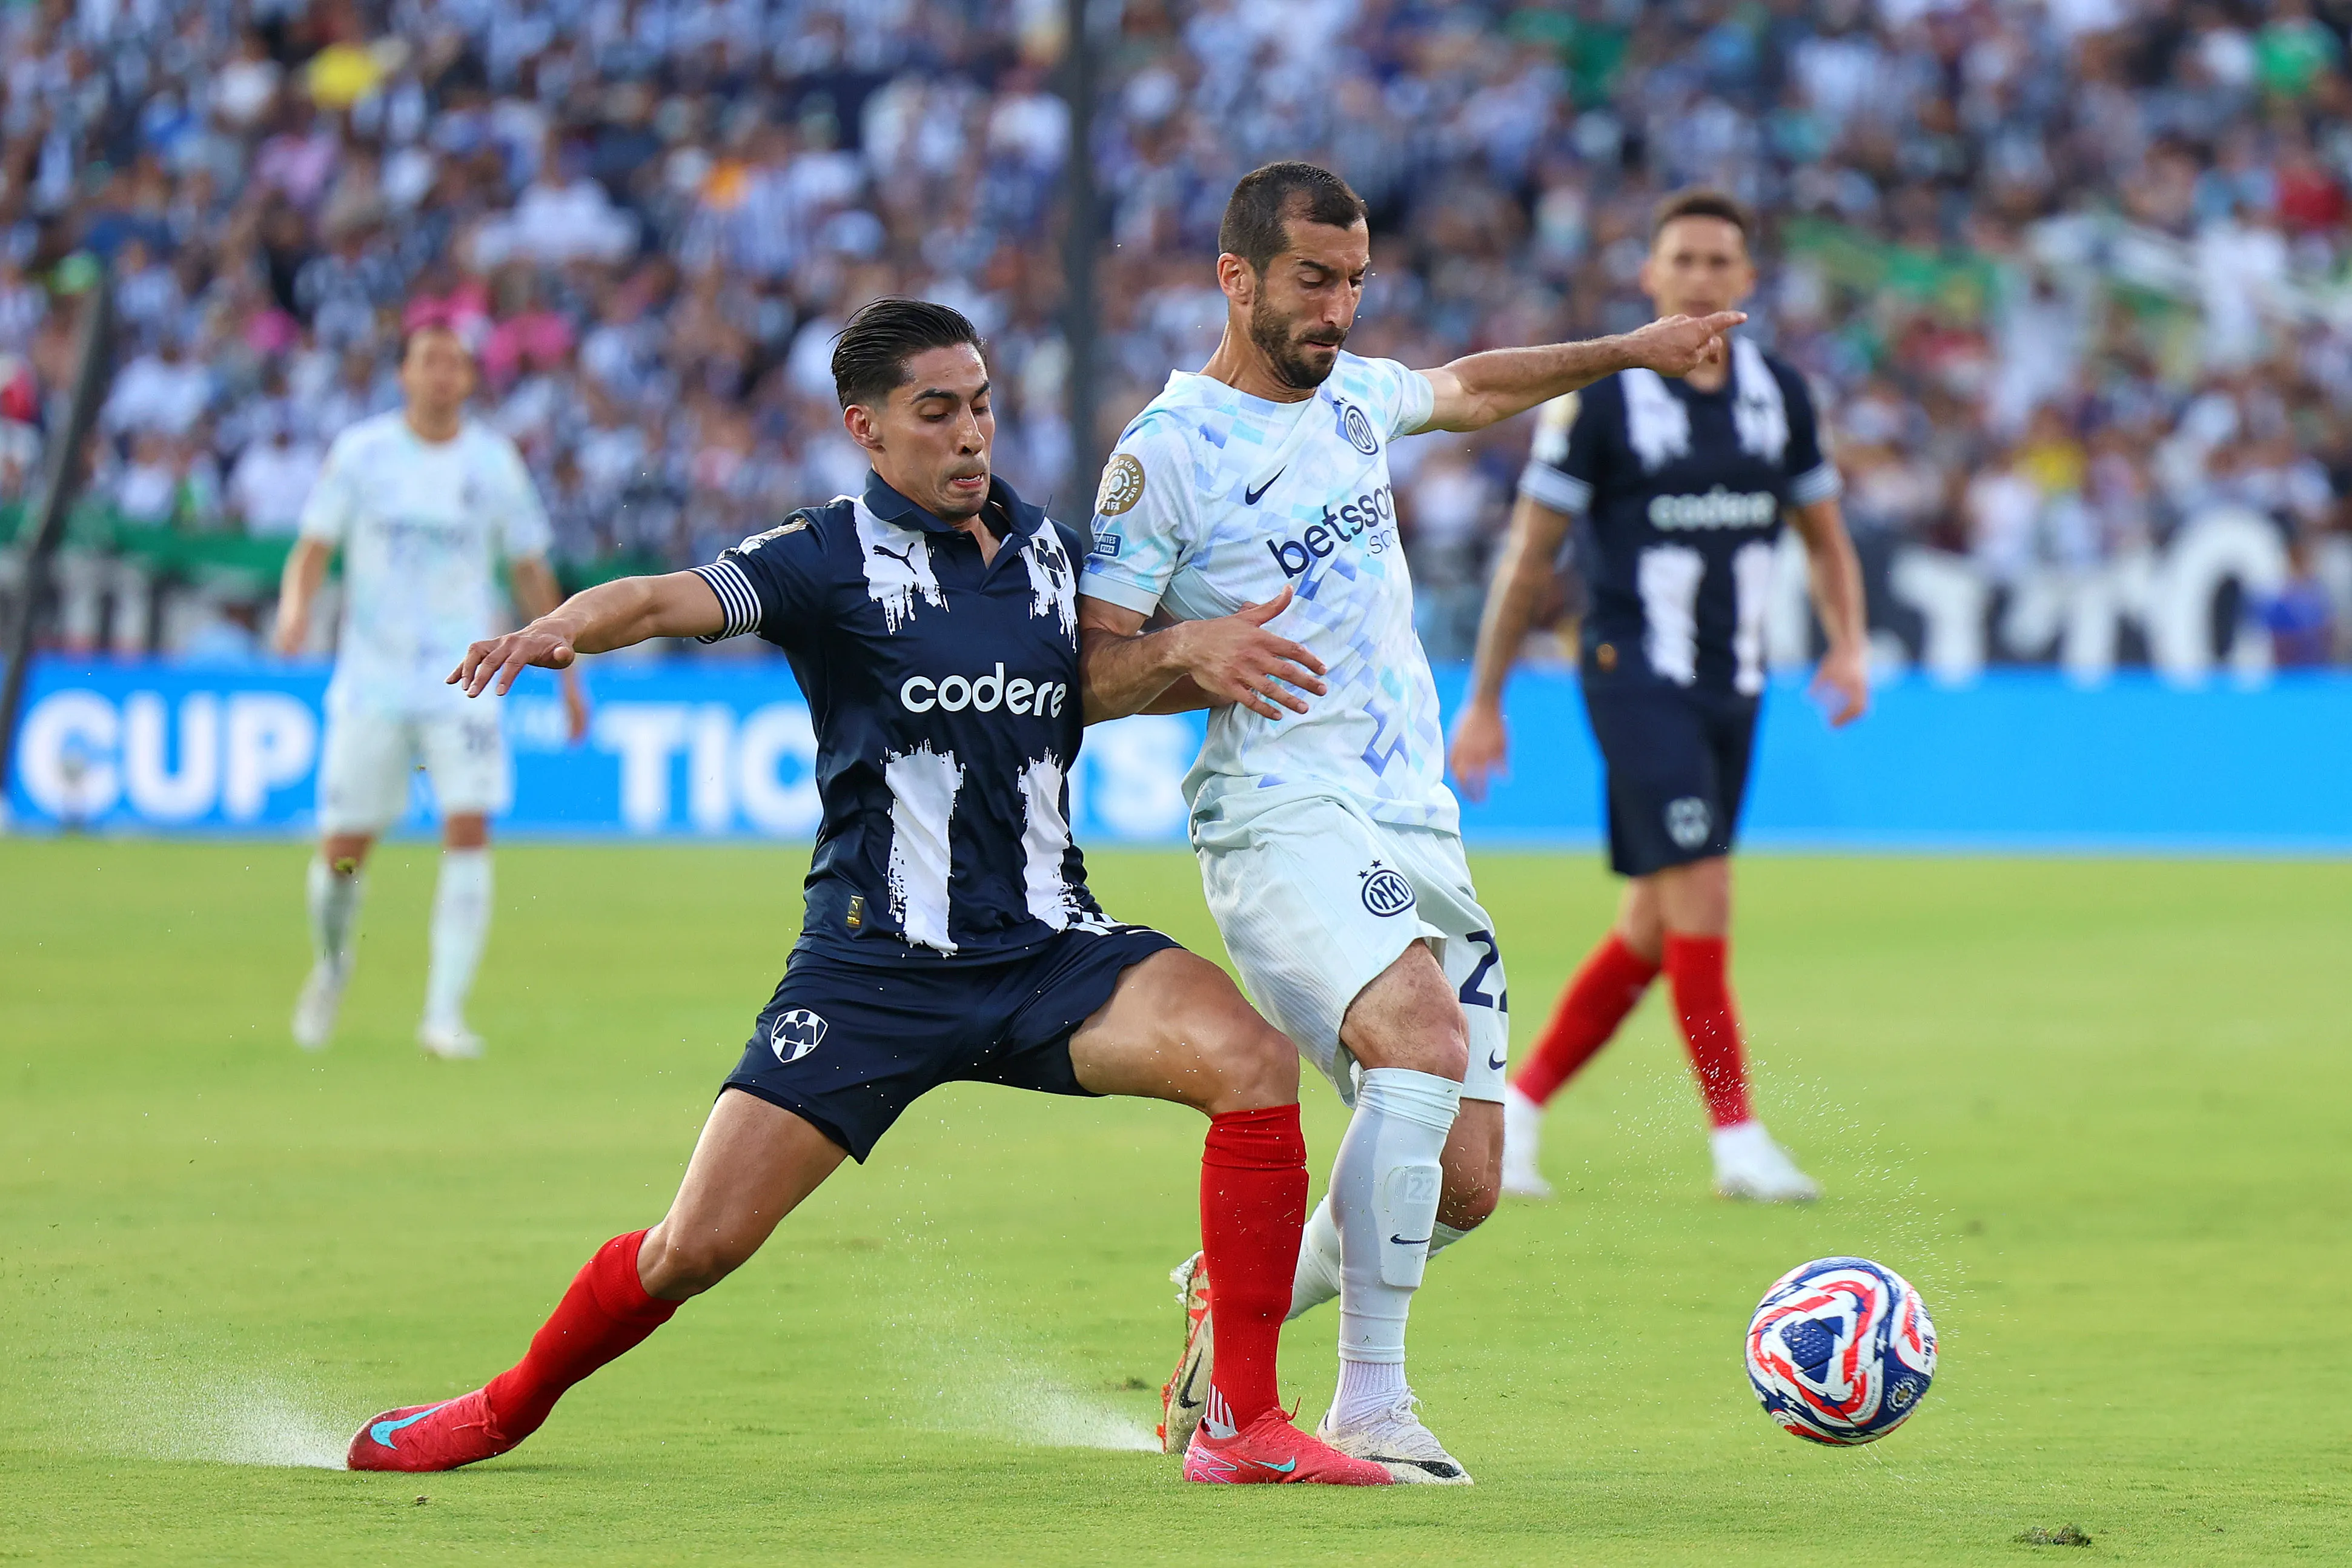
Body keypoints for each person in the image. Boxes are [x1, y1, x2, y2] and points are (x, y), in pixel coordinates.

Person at [343, 298, 1391, 1487]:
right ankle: (499, 1408)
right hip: (871, 971)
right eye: (935, 412)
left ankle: (1240, 1426)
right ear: (867, 429)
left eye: (983, 407)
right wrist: (559, 627)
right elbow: (659, 597)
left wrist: (1197, 659)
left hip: (1050, 947)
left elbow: (1091, 688)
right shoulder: (825, 556)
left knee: (1251, 1065)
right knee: (696, 1245)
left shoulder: (1049, 553)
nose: (969, 436)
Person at [1075, 162, 1744, 1483]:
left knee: (1467, 1181)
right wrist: (1191, 652)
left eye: (1354, 283)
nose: (1337, 308)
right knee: (1422, 1047)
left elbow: (1477, 384)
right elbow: (1087, 677)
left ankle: (1237, 1290)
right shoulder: (1166, 454)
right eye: (1313, 281)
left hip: (1410, 818)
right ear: (1238, 276)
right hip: (1278, 809)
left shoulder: (1357, 400)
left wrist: (1629, 349)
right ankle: (1366, 1403)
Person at [1446, 190, 1870, 1204]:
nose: (1698, 276)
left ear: (1746, 280)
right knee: (1704, 894)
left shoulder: (1780, 395)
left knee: (1653, 922)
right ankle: (1736, 1141)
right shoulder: (1598, 401)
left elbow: (1822, 535)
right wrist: (1485, 697)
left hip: (1734, 686)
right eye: (1680, 258)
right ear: (1648, 275)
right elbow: (1527, 557)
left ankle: (1522, 1111)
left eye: (1719, 259)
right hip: (1632, 676)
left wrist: (1849, 642)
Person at [271, 322, 589, 1059]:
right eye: (429, 362)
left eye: (455, 364)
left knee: (468, 828)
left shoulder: (494, 463)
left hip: (466, 678)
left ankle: (443, 1014)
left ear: (471, 379)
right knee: (345, 851)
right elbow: (313, 548)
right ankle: (332, 963)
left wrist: (572, 671)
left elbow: (531, 571)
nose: (443, 375)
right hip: (372, 682)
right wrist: (294, 610)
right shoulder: (362, 454)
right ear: (404, 375)